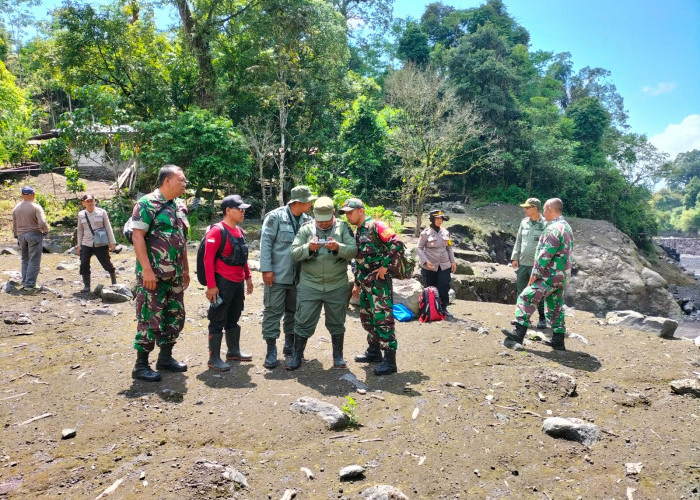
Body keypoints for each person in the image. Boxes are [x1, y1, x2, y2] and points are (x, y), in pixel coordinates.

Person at [130, 165, 190, 382]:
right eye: (181, 180)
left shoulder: (179, 205)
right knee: (149, 317)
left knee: (175, 315)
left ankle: (165, 358)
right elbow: (138, 237)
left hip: (174, 274)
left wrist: (185, 268)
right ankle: (141, 365)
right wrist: (146, 269)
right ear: (166, 181)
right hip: (153, 275)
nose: (184, 184)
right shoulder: (146, 204)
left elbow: (181, 239)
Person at [286, 197, 358, 371]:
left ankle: (338, 356)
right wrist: (309, 248)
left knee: (337, 321)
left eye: (327, 221)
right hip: (310, 285)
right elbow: (294, 253)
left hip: (337, 285)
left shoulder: (343, 228)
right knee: (303, 321)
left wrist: (338, 247)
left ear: (333, 214)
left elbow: (354, 250)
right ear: (314, 216)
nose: (323, 224)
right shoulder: (306, 229)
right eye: (320, 221)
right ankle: (297, 356)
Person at [341, 198, 405, 376]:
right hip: (365, 282)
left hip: (379, 283)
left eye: (350, 212)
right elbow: (360, 260)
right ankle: (373, 352)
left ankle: (390, 362)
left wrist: (385, 265)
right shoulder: (358, 231)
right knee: (368, 318)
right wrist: (356, 283)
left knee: (383, 320)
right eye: (345, 213)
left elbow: (397, 243)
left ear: (361, 210)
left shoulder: (376, 225)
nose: (347, 216)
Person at [502, 198, 574, 351]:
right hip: (562, 276)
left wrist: (534, 276)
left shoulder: (553, 228)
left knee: (526, 296)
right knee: (555, 305)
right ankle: (558, 341)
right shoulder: (566, 226)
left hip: (549, 275)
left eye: (546, 209)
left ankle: (517, 334)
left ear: (548, 208)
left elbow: (544, 255)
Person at [259, 185, 315, 369]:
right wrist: (266, 269)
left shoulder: (308, 220)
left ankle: (289, 344)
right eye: (308, 201)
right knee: (272, 311)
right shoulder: (275, 217)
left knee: (294, 312)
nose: (311, 204)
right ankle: (271, 349)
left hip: (300, 277)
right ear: (298, 202)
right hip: (277, 274)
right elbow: (265, 243)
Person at [204, 194, 255, 372]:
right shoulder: (217, 231)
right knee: (217, 318)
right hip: (222, 282)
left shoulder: (239, 231)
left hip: (238, 281)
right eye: (239, 209)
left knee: (234, 316)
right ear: (227, 210)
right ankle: (214, 358)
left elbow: (243, 256)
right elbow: (207, 260)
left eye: (243, 210)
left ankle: (233, 351)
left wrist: (248, 277)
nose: (243, 212)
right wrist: (211, 286)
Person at [510, 198, 547, 330]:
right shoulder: (524, 222)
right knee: (521, 291)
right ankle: (521, 318)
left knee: (538, 292)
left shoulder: (545, 224)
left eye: (527, 207)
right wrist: (515, 257)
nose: (524, 210)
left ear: (535, 208)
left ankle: (542, 318)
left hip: (537, 265)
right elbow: (519, 240)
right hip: (523, 263)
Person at [416, 209, 457, 319]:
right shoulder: (425, 233)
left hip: (444, 265)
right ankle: (430, 310)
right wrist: (425, 261)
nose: (439, 220)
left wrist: (453, 261)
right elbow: (419, 248)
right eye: (437, 218)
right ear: (432, 219)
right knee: (430, 288)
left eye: (441, 218)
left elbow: (449, 248)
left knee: (444, 287)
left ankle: (443, 309)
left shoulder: (446, 232)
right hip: (430, 266)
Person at [76, 194, 117, 293]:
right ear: (83, 203)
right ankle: (87, 286)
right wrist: (79, 244)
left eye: (91, 200)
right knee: (84, 262)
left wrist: (112, 242)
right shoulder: (81, 214)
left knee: (106, 263)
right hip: (86, 242)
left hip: (101, 242)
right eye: (88, 201)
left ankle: (114, 282)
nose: (90, 202)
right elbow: (80, 230)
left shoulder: (102, 212)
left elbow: (108, 227)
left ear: (94, 201)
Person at [11, 186, 49, 292]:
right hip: (34, 235)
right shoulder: (36, 207)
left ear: (23, 195)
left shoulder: (16, 208)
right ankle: (30, 284)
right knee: (34, 260)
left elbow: (14, 224)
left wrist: (16, 236)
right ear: (33, 195)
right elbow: (42, 222)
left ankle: (25, 281)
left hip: (21, 235)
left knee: (25, 259)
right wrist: (46, 231)